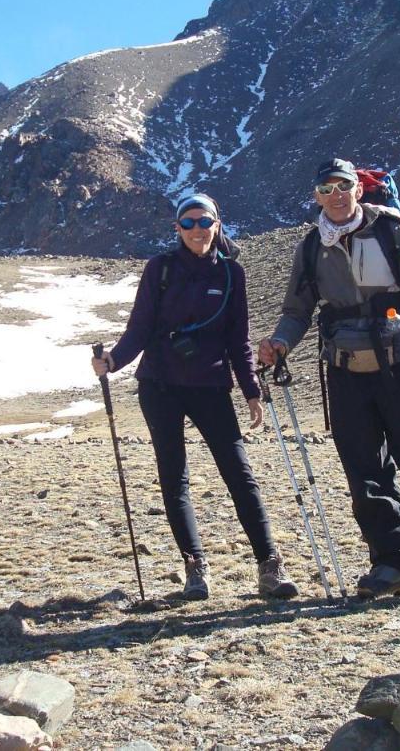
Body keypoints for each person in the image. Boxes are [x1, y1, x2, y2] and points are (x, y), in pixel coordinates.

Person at [259, 158, 400, 601]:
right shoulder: (311, 247)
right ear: (316, 197)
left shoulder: (391, 232)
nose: (335, 195)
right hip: (344, 374)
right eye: (325, 189)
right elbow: (296, 311)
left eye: (343, 186)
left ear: (358, 189)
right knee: (366, 475)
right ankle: (391, 563)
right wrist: (280, 343)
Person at [92, 193, 298, 602]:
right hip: (160, 386)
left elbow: (238, 339)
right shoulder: (160, 269)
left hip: (211, 387)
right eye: (188, 223)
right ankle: (195, 570)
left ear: (217, 226)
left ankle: (269, 566)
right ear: (177, 229)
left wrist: (252, 392)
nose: (197, 230)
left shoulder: (231, 274)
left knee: (240, 475)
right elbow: (139, 328)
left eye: (204, 222)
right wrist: (113, 361)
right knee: (175, 479)